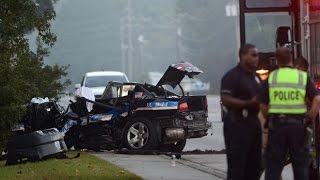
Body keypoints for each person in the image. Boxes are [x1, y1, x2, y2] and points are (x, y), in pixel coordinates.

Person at [259, 47, 320, 180]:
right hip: (298, 127)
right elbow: (317, 99)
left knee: (273, 168)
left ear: (277, 60)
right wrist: (310, 117)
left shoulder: (272, 77)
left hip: (277, 127)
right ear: (291, 59)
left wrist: (268, 117)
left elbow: (262, 104)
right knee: (300, 168)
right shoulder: (302, 77)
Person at [220, 43, 262, 180]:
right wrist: (247, 103)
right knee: (237, 167)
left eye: (257, 55)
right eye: (253, 55)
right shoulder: (232, 76)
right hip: (237, 125)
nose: (257, 58)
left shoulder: (256, 77)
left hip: (253, 124)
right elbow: (225, 99)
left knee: (255, 167)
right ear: (243, 55)